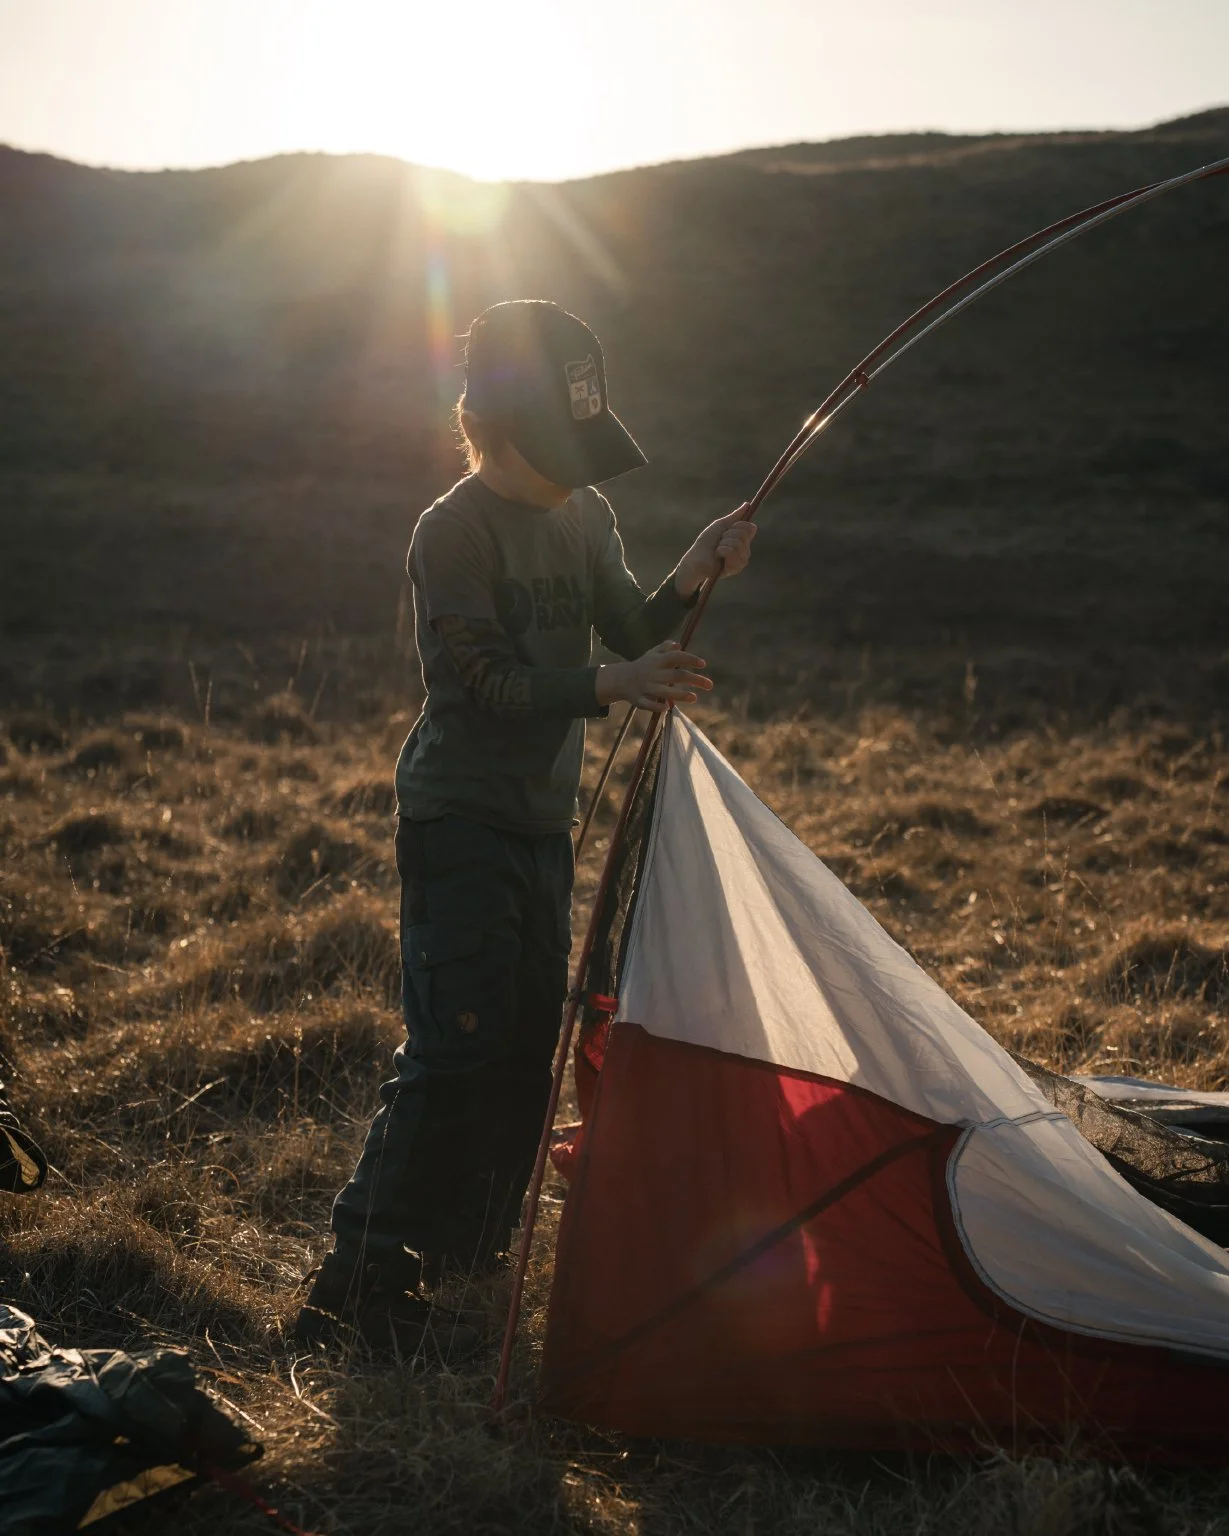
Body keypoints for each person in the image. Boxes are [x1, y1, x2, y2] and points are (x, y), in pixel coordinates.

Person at [295, 299, 754, 1359]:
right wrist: (614, 681)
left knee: (520, 1053)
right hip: (457, 819)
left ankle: (465, 1256)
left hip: (541, 825)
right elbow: (482, 683)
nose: (570, 472)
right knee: (453, 1050)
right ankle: (354, 1277)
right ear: (490, 430)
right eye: (552, 451)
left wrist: (693, 569)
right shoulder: (447, 534)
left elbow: (629, 625)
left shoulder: (584, 513)